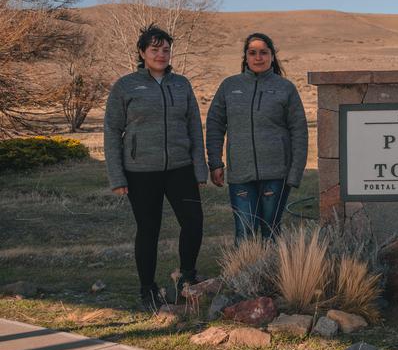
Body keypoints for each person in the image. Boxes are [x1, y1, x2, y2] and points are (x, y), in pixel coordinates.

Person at [104, 25, 207, 311]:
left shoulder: (181, 84)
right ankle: (147, 289)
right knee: (149, 229)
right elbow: (112, 131)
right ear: (142, 52)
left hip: (180, 168)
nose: (161, 54)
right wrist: (117, 175)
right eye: (154, 49)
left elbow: (194, 128)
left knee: (194, 221)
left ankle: (187, 277)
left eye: (165, 49)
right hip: (141, 172)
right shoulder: (125, 86)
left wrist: (200, 169)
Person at [206, 32, 308, 242]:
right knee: (244, 233)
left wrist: (295, 173)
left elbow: (299, 131)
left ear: (272, 56)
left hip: (276, 174)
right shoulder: (229, 86)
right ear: (245, 56)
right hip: (240, 175)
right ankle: (242, 274)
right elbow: (215, 124)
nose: (258, 57)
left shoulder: (285, 88)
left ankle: (273, 275)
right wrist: (215, 163)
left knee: (270, 232)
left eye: (263, 52)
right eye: (252, 53)